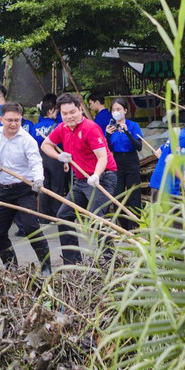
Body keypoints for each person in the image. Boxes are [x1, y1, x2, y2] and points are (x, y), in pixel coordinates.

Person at [43, 93, 118, 264]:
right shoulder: (62, 128)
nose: (69, 117)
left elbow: (103, 157)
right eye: (64, 113)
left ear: (80, 109)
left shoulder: (90, 128)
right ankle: (72, 262)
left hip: (103, 177)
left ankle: (110, 260)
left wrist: (96, 175)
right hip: (81, 180)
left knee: (95, 218)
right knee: (63, 215)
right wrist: (58, 157)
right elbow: (45, 145)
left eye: (72, 112)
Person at [0, 102, 52, 275]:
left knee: (31, 228)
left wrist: (39, 180)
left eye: (17, 121)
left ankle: (46, 266)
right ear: (1, 119)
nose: (13, 124)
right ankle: (11, 267)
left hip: (24, 189)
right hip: (3, 189)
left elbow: (36, 162)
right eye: (10, 120)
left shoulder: (27, 140)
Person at [105, 98, 143, 231]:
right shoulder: (111, 127)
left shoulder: (133, 126)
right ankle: (122, 228)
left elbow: (139, 146)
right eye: (114, 110)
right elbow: (107, 148)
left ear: (125, 111)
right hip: (117, 161)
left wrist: (127, 132)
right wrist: (108, 135)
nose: (116, 112)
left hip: (131, 160)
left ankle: (136, 227)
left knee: (134, 195)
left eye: (119, 109)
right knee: (118, 196)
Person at [34, 98, 65, 220]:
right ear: (51, 110)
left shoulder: (35, 127)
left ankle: (43, 215)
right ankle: (56, 214)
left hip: (40, 157)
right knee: (57, 186)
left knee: (43, 186)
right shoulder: (58, 126)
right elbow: (62, 143)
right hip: (55, 157)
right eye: (56, 110)